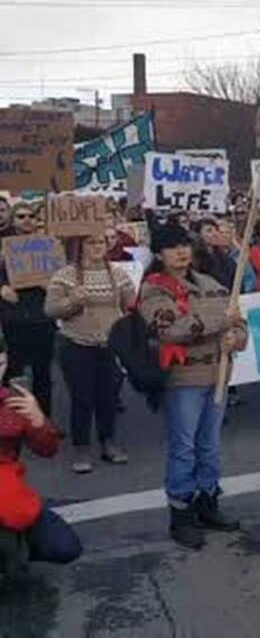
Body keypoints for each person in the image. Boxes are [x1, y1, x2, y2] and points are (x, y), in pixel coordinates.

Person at [138, 223, 247, 550]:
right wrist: (220, 325)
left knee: (210, 447)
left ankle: (208, 502)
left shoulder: (212, 283)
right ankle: (181, 514)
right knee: (184, 448)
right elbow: (171, 329)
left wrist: (237, 337)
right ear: (159, 253)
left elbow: (238, 320)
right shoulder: (153, 289)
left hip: (218, 376)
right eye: (172, 247)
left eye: (184, 244)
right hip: (182, 380)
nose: (181, 251)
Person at [44, 233, 135, 474]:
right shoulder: (64, 275)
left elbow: (131, 307)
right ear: (80, 246)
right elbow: (51, 310)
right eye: (91, 242)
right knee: (82, 397)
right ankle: (81, 448)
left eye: (101, 242)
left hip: (110, 345)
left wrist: (133, 305)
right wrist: (72, 301)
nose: (97, 247)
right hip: (75, 343)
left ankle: (108, 441)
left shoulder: (118, 273)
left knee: (109, 395)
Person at [0, 359, 81, 568]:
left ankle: (18, 548)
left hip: (10, 493)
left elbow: (47, 450)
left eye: (0, 364)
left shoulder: (13, 402)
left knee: (64, 547)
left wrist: (38, 421)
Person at [0, 202, 57, 415]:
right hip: (14, 318)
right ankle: (11, 420)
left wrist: (51, 283)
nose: (26, 220)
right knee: (14, 371)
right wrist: (1, 288)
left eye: (31, 216)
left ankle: (43, 421)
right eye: (21, 216)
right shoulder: (3, 246)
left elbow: (62, 275)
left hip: (42, 316)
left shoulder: (49, 245)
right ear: (13, 220)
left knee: (42, 373)